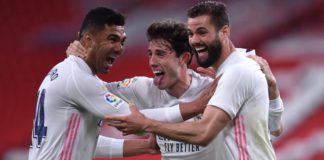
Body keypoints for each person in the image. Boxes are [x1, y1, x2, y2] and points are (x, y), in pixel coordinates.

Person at [68, 20, 282, 160]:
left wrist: (271, 89)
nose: (152, 62)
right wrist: (76, 62)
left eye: (160, 54)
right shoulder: (139, 88)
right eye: (149, 53)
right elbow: (85, 95)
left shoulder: (213, 88)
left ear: (184, 58)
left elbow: (274, 129)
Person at [29, 7, 214, 160]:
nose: (119, 49)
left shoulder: (75, 76)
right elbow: (132, 119)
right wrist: (194, 107)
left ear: (184, 58)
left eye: (121, 41)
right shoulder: (77, 79)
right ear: (87, 40)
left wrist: (146, 146)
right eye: (112, 39)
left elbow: (85, 141)